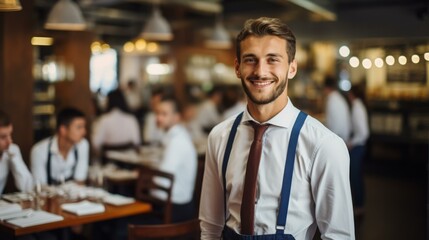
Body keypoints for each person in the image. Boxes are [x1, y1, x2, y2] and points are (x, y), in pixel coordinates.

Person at [199, 17, 355, 239]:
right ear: (237, 68)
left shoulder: (324, 145)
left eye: (273, 60)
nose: (261, 71)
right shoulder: (219, 137)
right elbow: (211, 227)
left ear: (292, 68)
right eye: (250, 60)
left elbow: (339, 236)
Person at [155, 95, 197, 222]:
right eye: (157, 113)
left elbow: (162, 181)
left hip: (176, 208)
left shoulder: (177, 141)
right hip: (179, 204)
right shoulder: (174, 136)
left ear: (176, 117)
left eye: (164, 114)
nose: (158, 118)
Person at [31, 107, 89, 186]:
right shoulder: (39, 150)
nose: (84, 132)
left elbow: (80, 181)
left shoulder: (83, 145)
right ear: (63, 130)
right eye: (79, 127)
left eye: (84, 127)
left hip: (73, 196)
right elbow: (40, 186)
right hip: (48, 197)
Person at [91, 89, 141, 155]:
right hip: (129, 161)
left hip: (109, 160)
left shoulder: (104, 120)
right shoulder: (131, 119)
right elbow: (137, 142)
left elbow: (95, 143)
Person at [347, 84, 370, 216]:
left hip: (358, 147)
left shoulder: (357, 107)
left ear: (352, 94)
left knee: (355, 178)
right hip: (358, 146)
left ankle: (359, 206)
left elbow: (363, 133)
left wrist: (351, 143)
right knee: (356, 177)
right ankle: (359, 205)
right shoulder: (358, 105)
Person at [0, 110, 33, 195]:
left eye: (10, 134)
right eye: (3, 137)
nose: (9, 141)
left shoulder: (12, 149)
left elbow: (27, 187)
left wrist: (14, 158)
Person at [323, 76, 352, 142]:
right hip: (344, 137)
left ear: (326, 88)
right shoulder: (338, 97)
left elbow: (332, 126)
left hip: (338, 139)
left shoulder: (331, 100)